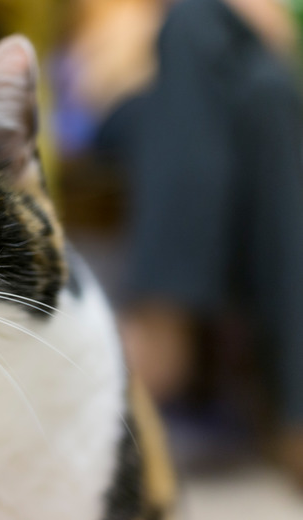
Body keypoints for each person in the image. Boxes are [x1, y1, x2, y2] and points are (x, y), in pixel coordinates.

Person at [69, 0, 303, 486]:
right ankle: (293, 408)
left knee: (268, 93)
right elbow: (102, 63)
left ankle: (163, 322)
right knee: (196, 24)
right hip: (137, 110)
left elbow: (274, 41)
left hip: (237, 104)